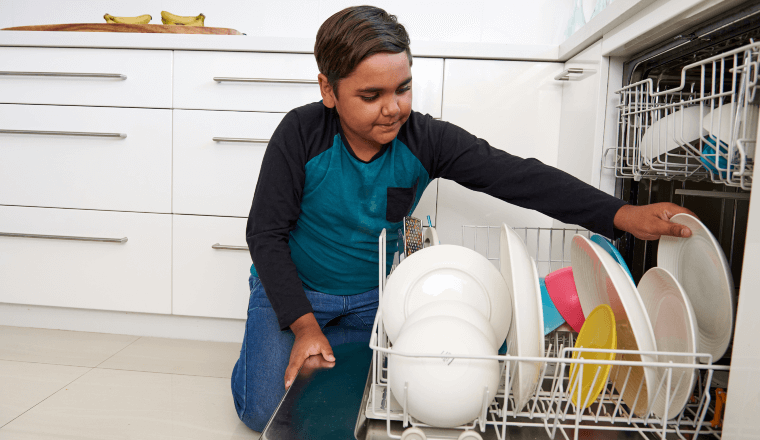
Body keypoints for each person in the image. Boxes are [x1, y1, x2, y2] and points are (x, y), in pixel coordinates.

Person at [230, 5, 694, 432]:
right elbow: (265, 234)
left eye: (402, 88)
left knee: (356, 402)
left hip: (371, 298)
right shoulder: (300, 134)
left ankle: (326, 342)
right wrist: (304, 324)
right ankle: (268, 338)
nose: (392, 107)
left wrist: (620, 212)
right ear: (328, 90)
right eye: (371, 95)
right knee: (261, 413)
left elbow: (516, 176)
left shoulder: (424, 138)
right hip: (294, 289)